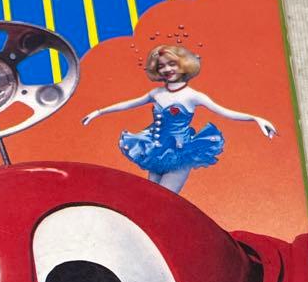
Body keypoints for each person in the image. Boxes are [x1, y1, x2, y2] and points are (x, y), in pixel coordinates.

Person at [82, 44, 277, 193]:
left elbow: (225, 112)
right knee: (150, 197)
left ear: (183, 65)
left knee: (164, 200)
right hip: (155, 152)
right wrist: (98, 112)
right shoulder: (156, 93)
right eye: (161, 66)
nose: (167, 69)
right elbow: (128, 104)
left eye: (172, 64)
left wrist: (256, 118)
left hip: (180, 154)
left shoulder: (193, 96)